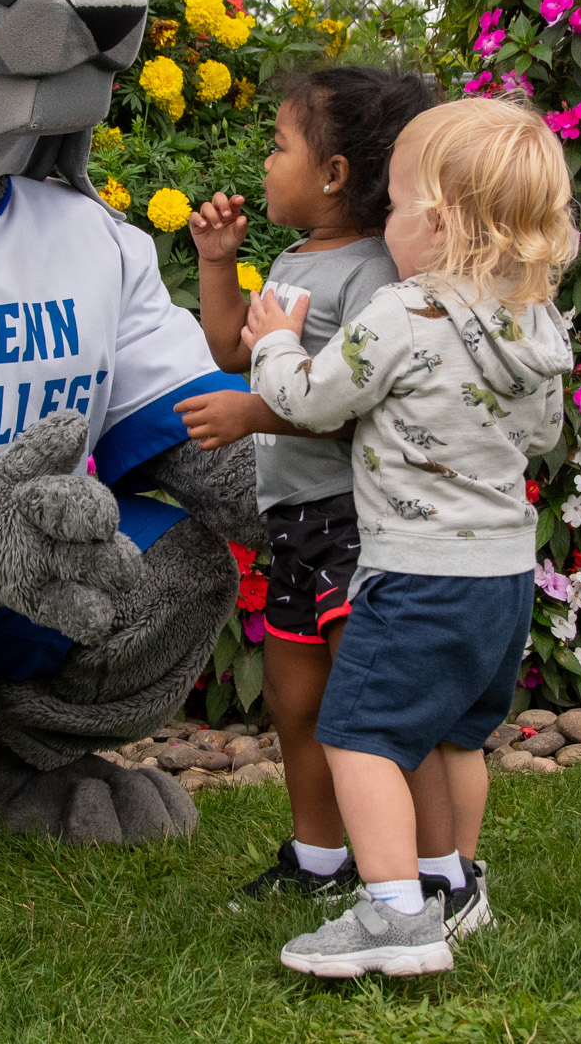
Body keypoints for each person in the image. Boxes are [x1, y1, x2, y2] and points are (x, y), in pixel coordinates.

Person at [244, 96, 577, 978]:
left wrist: (275, 343)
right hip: (502, 578)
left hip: (417, 572)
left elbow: (311, 398)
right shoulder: (537, 326)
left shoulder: (402, 312)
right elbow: (542, 435)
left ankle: (394, 917)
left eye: (390, 207)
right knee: (456, 737)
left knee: (359, 736)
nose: (382, 224)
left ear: (435, 222)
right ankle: (453, 885)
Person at [176, 67, 432, 912]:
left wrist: (258, 415)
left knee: (362, 700)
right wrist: (219, 263)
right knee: (294, 699)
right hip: (295, 522)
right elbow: (230, 348)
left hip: (353, 520)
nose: (265, 162)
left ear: (332, 175)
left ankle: (418, 869)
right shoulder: (291, 260)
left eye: (279, 146)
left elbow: (362, 411)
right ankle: (320, 859)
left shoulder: (370, 278)